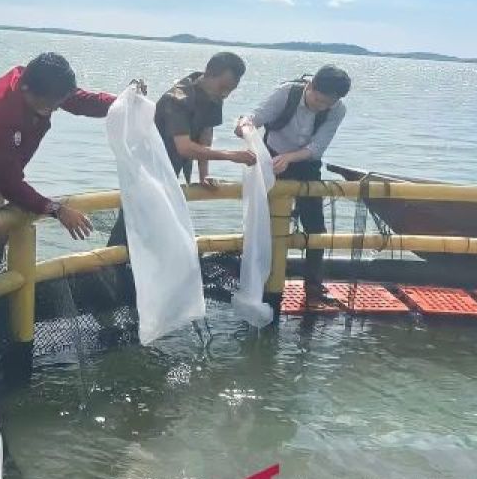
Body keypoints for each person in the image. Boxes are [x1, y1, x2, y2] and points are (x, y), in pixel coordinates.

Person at [108, 52, 255, 248]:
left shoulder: (213, 94)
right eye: (223, 88)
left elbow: (206, 131)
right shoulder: (177, 98)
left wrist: (204, 174)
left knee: (155, 231)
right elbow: (184, 147)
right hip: (145, 171)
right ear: (210, 73)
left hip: (170, 169)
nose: (225, 94)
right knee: (128, 229)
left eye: (230, 90)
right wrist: (232, 156)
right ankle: (109, 269)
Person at [236, 64, 351, 305]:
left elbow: (317, 147)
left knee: (315, 227)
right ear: (310, 86)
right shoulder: (287, 93)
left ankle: (313, 286)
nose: (320, 106)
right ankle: (261, 280)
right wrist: (244, 126)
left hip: (305, 164)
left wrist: (290, 158)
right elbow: (254, 118)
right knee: (263, 223)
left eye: (326, 104)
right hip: (271, 158)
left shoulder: (337, 110)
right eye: (317, 100)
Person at [0, 52, 116, 240]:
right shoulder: (0, 114)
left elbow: (82, 101)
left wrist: (124, 102)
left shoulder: (40, 84)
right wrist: (57, 209)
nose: (55, 108)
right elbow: (10, 183)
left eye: (59, 103)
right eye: (50, 104)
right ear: (26, 89)